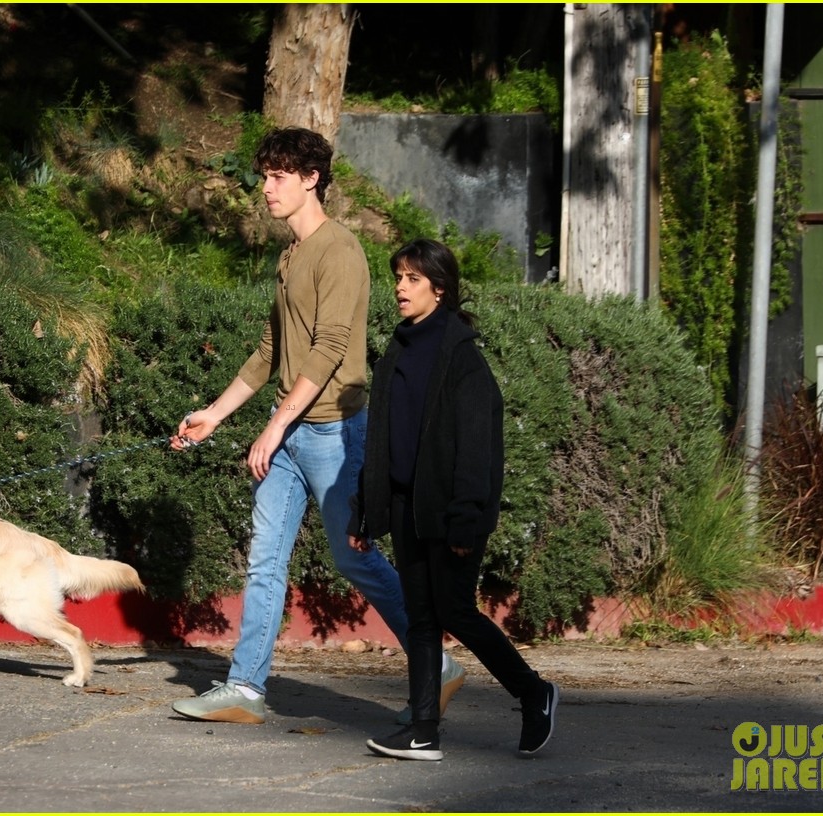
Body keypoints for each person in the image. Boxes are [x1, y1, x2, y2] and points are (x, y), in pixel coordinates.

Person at [168, 128, 465, 725]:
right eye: (265, 176)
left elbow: (330, 348)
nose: (267, 188)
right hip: (288, 434)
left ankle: (434, 662)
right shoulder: (289, 257)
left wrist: (275, 426)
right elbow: (270, 351)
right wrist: (214, 415)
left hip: (333, 433)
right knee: (264, 561)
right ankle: (246, 687)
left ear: (311, 179)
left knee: (354, 560)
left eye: (279, 176)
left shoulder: (341, 251)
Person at [348, 238, 559, 760]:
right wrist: (366, 510)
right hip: (405, 510)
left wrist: (466, 520)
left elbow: (477, 449)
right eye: (398, 276)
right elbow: (381, 442)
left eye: (412, 279)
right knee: (420, 619)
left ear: (439, 290)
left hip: (451, 514)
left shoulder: (463, 360)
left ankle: (534, 692)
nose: (400, 286)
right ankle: (424, 731)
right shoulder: (396, 352)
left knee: (456, 612)